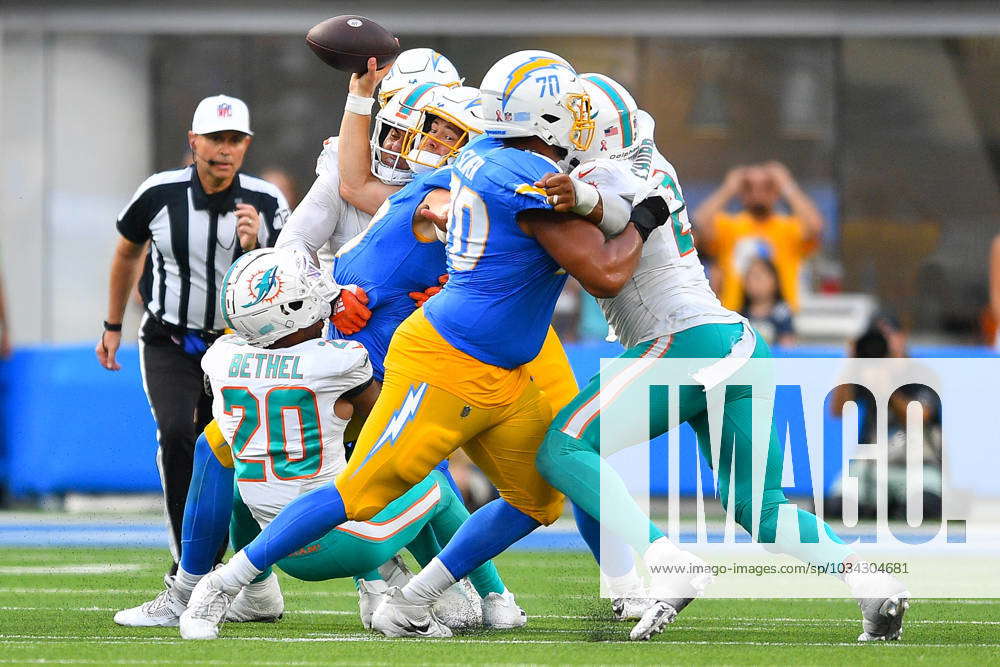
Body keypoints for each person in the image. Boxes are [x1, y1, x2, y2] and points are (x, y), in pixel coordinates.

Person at [179, 50, 675, 640]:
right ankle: (225, 583)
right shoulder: (485, 176)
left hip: (496, 355)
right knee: (368, 486)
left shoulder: (485, 167)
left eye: (449, 132)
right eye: (432, 128)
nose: (435, 141)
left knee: (543, 490)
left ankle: (423, 596)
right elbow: (595, 264)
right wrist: (640, 206)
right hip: (427, 354)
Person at [533, 72, 909, 642]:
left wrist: (577, 196)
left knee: (565, 446)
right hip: (736, 344)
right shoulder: (652, 161)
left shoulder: (602, 173)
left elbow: (615, 203)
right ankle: (871, 583)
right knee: (760, 508)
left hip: (684, 340)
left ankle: (663, 561)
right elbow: (629, 197)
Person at [96, 94, 288, 579]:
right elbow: (125, 254)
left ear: (246, 145)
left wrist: (258, 246)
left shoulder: (267, 202)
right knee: (178, 434)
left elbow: (287, 280)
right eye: (215, 139)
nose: (224, 150)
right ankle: (189, 564)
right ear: (193, 141)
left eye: (234, 140)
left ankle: (246, 571)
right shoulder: (159, 194)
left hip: (238, 346)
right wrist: (112, 325)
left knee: (234, 448)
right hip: (170, 339)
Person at [693, 161, 824, 312]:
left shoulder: (789, 228)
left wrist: (787, 185)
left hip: (781, 319)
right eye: (749, 187)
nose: (758, 194)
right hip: (736, 317)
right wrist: (728, 189)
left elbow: (815, 227)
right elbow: (697, 225)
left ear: (777, 191)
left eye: (767, 187)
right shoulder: (729, 227)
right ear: (741, 192)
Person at [741, 257, 796, 347]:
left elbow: (787, 346)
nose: (754, 283)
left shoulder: (782, 313)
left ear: (774, 281)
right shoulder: (740, 316)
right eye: (749, 278)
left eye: (758, 278)